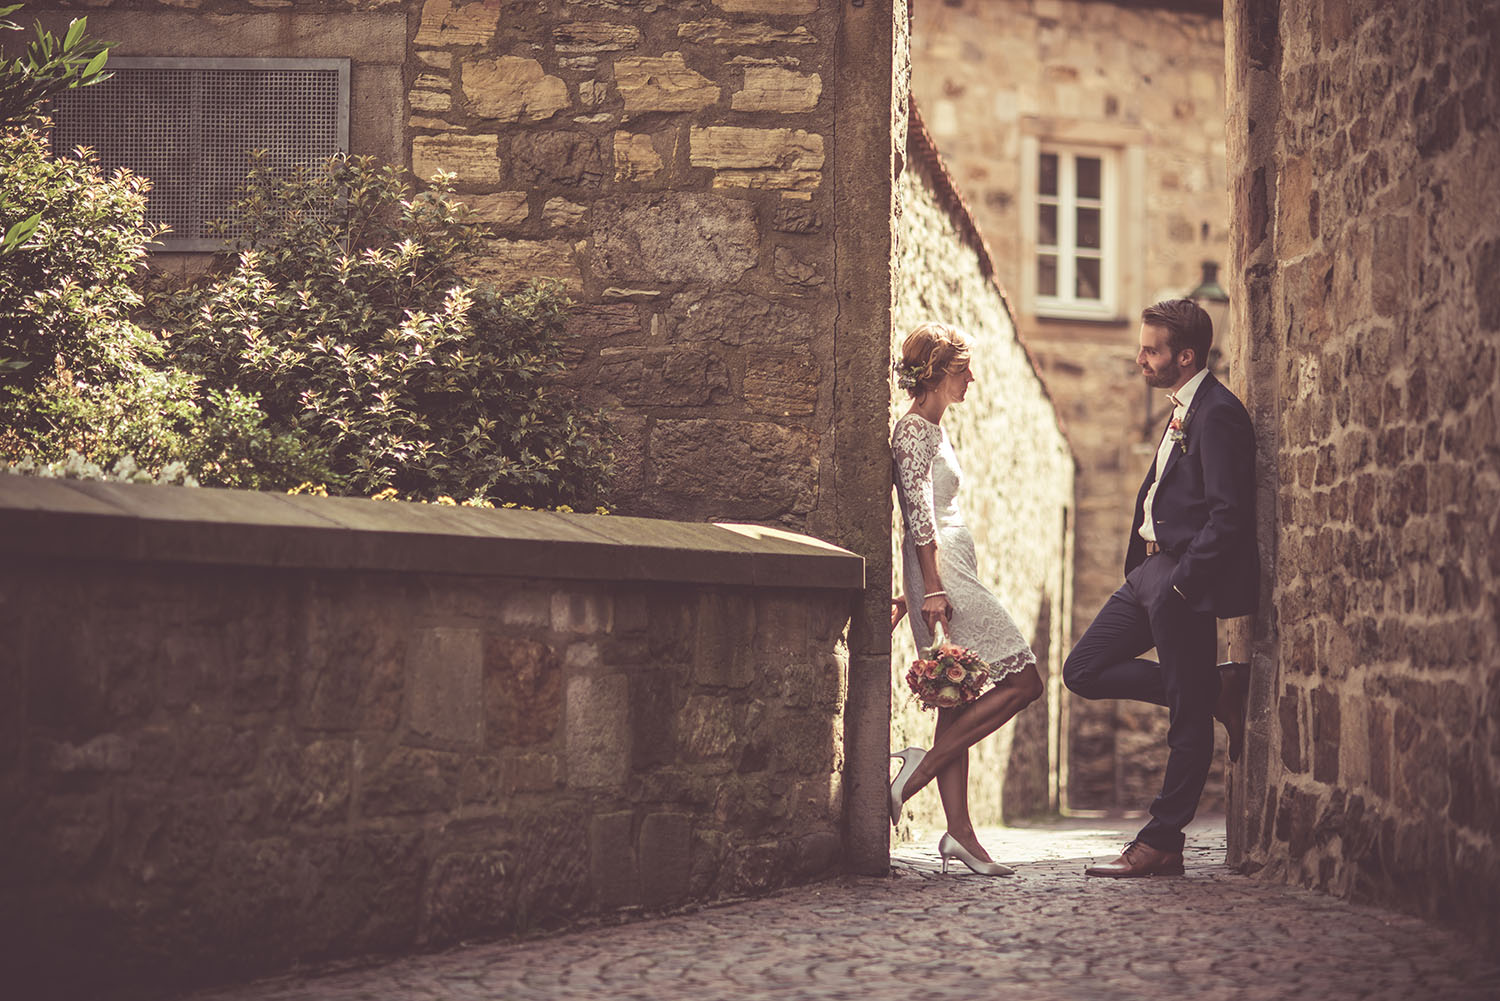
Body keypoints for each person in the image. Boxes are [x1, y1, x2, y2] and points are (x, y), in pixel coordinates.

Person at [1063, 298, 1257, 878]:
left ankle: (1162, 841)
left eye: (1151, 350)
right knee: (1083, 670)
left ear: (1186, 356)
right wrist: (1145, 572)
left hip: (1179, 578)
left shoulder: (1217, 413)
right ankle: (1212, 689)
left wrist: (1182, 584)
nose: (1140, 358)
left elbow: (1229, 514)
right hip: (1147, 572)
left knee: (1185, 724)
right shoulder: (1181, 408)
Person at [888, 321, 1045, 877]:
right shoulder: (911, 432)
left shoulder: (935, 427)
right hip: (944, 574)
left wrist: (914, 589)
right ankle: (917, 773)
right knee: (1025, 681)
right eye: (962, 371)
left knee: (953, 696)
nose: (971, 379)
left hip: (945, 568)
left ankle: (960, 835)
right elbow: (918, 516)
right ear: (933, 375)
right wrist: (927, 589)